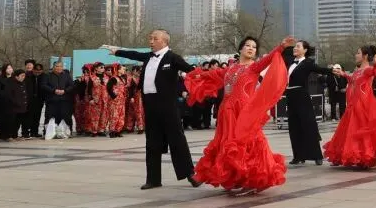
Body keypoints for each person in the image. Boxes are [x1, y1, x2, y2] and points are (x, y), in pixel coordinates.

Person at [186, 36, 293, 193]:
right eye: (248, 45)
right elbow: (214, 74)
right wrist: (197, 75)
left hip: (245, 111)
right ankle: (212, 175)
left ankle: (252, 178)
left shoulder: (254, 67)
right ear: (241, 48)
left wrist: (281, 47)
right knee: (225, 143)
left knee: (248, 142)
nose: (251, 49)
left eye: (254, 47)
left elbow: (269, 58)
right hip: (227, 111)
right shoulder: (230, 68)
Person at [103, 30, 201, 190]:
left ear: (164, 41)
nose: (151, 41)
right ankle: (153, 179)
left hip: (168, 105)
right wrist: (117, 51)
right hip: (150, 104)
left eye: (155, 38)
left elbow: (191, 71)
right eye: (150, 38)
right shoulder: (149, 57)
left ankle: (191, 174)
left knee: (177, 140)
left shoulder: (173, 57)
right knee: (152, 141)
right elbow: (134, 55)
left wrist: (204, 78)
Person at [324, 45, 376, 169]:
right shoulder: (358, 70)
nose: (356, 55)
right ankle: (351, 155)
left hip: (361, 106)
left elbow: (374, 71)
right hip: (352, 106)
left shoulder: (367, 70)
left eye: (358, 53)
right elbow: (353, 80)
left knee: (365, 131)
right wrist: (343, 74)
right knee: (349, 131)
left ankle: (369, 156)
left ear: (365, 56)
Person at [283, 40, 330, 165]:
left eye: (298, 46)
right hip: (290, 95)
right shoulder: (290, 61)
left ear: (305, 50)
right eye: (295, 46)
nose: (295, 48)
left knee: (308, 125)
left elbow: (320, 69)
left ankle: (316, 155)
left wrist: (333, 71)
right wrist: (283, 45)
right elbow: (281, 54)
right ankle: (298, 156)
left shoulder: (308, 63)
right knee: (294, 126)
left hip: (302, 95)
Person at [40, 60, 74, 132]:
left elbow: (72, 86)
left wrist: (65, 91)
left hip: (64, 100)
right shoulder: (47, 75)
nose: (59, 68)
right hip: (52, 100)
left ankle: (67, 132)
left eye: (60, 66)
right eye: (57, 66)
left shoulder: (66, 75)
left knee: (66, 117)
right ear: (53, 67)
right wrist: (54, 90)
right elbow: (44, 85)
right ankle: (48, 132)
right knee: (49, 117)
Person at [0, 69, 28, 140]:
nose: (23, 77)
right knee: (10, 122)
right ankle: (7, 136)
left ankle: (15, 135)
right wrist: (16, 102)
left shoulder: (23, 83)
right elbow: (9, 95)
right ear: (16, 76)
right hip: (12, 107)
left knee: (17, 122)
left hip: (21, 106)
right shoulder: (10, 83)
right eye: (22, 76)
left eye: (24, 76)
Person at [23, 60, 42, 139]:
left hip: (38, 99)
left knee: (37, 116)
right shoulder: (24, 75)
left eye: (30, 65)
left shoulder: (38, 75)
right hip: (27, 99)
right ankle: (25, 132)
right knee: (27, 116)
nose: (29, 66)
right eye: (27, 65)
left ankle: (34, 132)